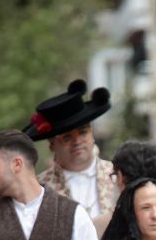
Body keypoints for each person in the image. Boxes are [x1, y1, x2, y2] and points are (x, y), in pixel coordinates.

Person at [25, 80, 118, 222]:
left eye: (83, 133)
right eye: (67, 137)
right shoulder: (39, 188)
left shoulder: (118, 175)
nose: (77, 142)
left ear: (92, 134)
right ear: (52, 145)